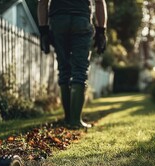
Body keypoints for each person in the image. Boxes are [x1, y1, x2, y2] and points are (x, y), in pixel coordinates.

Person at [37, 0, 107, 129]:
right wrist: (101, 31)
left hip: (58, 21)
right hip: (81, 20)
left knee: (64, 69)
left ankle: (68, 118)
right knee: (79, 70)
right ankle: (75, 121)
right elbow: (99, 2)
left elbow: (42, 3)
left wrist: (43, 32)